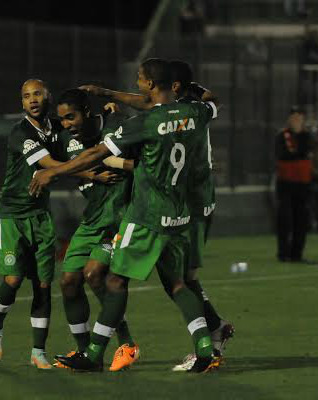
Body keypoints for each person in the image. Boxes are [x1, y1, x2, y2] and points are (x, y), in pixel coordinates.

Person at [31, 58, 221, 373]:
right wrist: (196, 89)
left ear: (150, 84)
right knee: (178, 283)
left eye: (139, 78)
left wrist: (55, 173)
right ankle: (205, 350)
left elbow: (95, 154)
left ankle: (94, 355)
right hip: (180, 215)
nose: (136, 82)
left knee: (115, 281)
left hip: (147, 216)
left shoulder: (144, 123)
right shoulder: (196, 113)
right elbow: (212, 102)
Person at [80, 59, 235, 372]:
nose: (143, 89)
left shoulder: (175, 114)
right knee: (179, 279)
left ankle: (212, 339)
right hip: (190, 200)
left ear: (173, 87)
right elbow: (152, 104)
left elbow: (149, 109)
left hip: (185, 201)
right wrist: (106, 92)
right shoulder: (193, 111)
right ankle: (213, 332)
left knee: (179, 279)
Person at [0, 79, 118, 369]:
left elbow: (83, 127)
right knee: (13, 279)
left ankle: (38, 352)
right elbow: (49, 165)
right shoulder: (21, 134)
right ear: (22, 103)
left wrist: (105, 113)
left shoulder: (57, 128)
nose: (32, 99)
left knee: (43, 285)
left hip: (41, 214)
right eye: (26, 96)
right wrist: (92, 175)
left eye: (37, 94)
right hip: (12, 215)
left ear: (48, 98)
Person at [53, 88, 141, 372]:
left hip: (118, 217)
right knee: (68, 281)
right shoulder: (66, 139)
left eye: (71, 117)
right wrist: (88, 173)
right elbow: (55, 163)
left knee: (93, 274)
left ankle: (126, 344)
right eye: (62, 119)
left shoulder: (116, 127)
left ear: (87, 113)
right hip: (92, 218)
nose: (67, 124)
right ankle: (82, 351)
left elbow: (143, 155)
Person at [275, 106, 313, 262]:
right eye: (294, 117)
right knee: (285, 219)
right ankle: (283, 253)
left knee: (301, 219)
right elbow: (284, 154)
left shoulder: (306, 136)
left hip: (302, 182)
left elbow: (305, 152)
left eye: (299, 117)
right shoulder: (282, 135)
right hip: (286, 182)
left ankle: (297, 253)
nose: (296, 120)